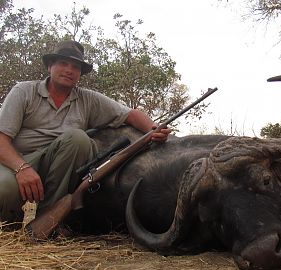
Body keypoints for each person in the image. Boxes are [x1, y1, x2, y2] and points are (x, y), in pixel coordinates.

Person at [0, 40, 171, 227]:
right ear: (50, 66)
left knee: (78, 139)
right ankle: (11, 225)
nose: (69, 70)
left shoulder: (88, 99)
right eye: (63, 63)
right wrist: (22, 169)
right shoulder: (23, 91)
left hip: (60, 166)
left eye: (75, 66)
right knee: (4, 189)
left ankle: (49, 221)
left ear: (80, 73)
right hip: (19, 160)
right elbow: (2, 140)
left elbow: (129, 114)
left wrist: (153, 129)